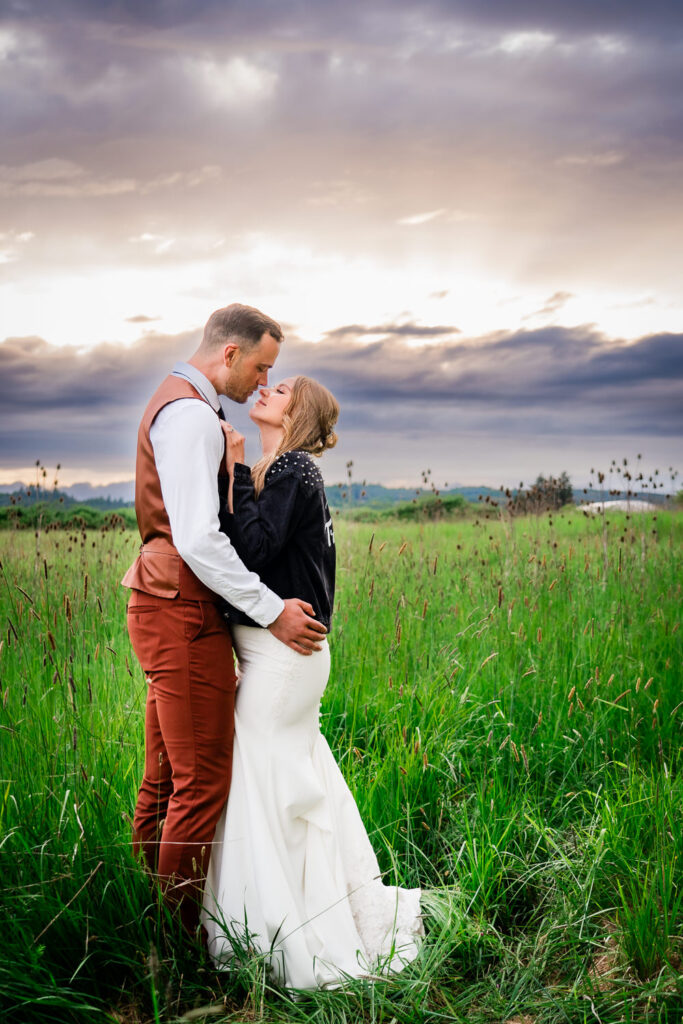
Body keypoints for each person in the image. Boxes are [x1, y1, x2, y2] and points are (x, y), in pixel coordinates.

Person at [202, 375, 423, 988]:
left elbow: (254, 547)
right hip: (282, 652)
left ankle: (285, 930)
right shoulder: (287, 471)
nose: (267, 391)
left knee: (262, 776)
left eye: (283, 390)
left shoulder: (292, 469)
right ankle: (305, 909)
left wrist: (237, 470)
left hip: (283, 655)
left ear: (298, 413)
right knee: (283, 776)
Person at [122, 304, 327, 938]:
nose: (261, 382)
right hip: (178, 606)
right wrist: (272, 614)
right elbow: (200, 540)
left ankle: (149, 922)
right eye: (262, 366)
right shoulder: (189, 415)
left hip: (177, 604)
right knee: (203, 783)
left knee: (166, 780)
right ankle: (177, 947)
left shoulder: (196, 413)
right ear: (230, 354)